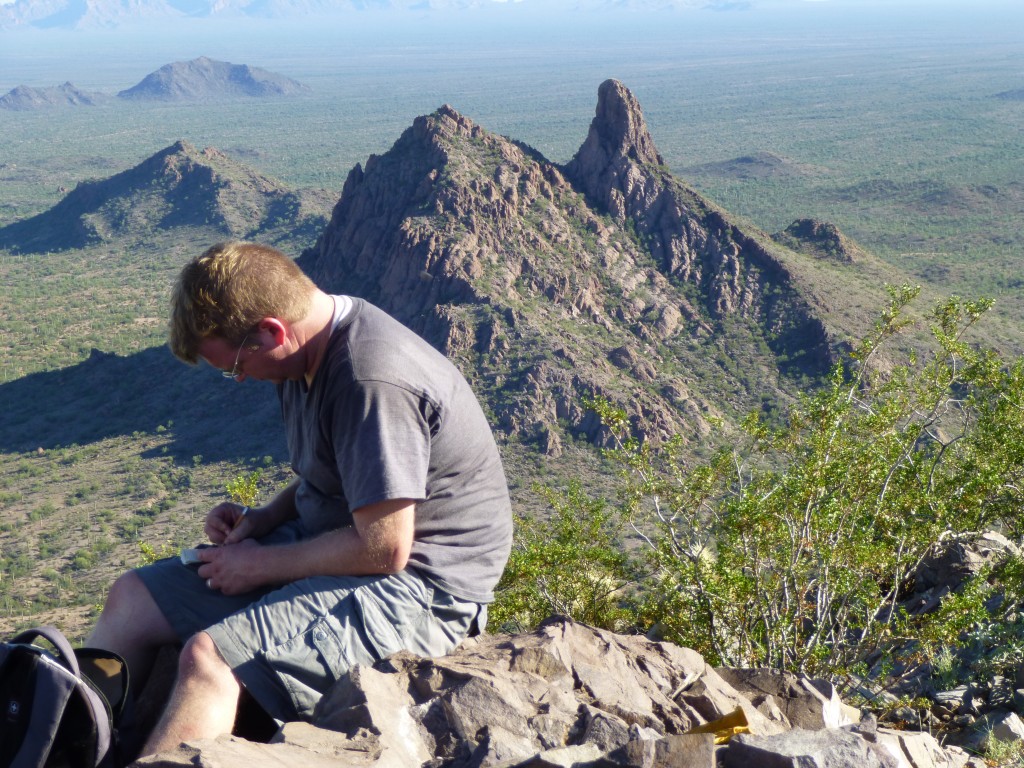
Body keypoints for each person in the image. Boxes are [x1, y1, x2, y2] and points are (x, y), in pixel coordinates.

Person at [87, 241, 513, 756]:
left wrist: (259, 567)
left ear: (272, 330)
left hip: (422, 588)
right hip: (338, 545)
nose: (240, 378)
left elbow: (385, 548)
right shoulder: (301, 355)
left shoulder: (368, 377)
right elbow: (342, 473)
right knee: (133, 596)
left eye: (236, 365)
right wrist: (265, 519)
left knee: (210, 661)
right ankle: (65, 743)